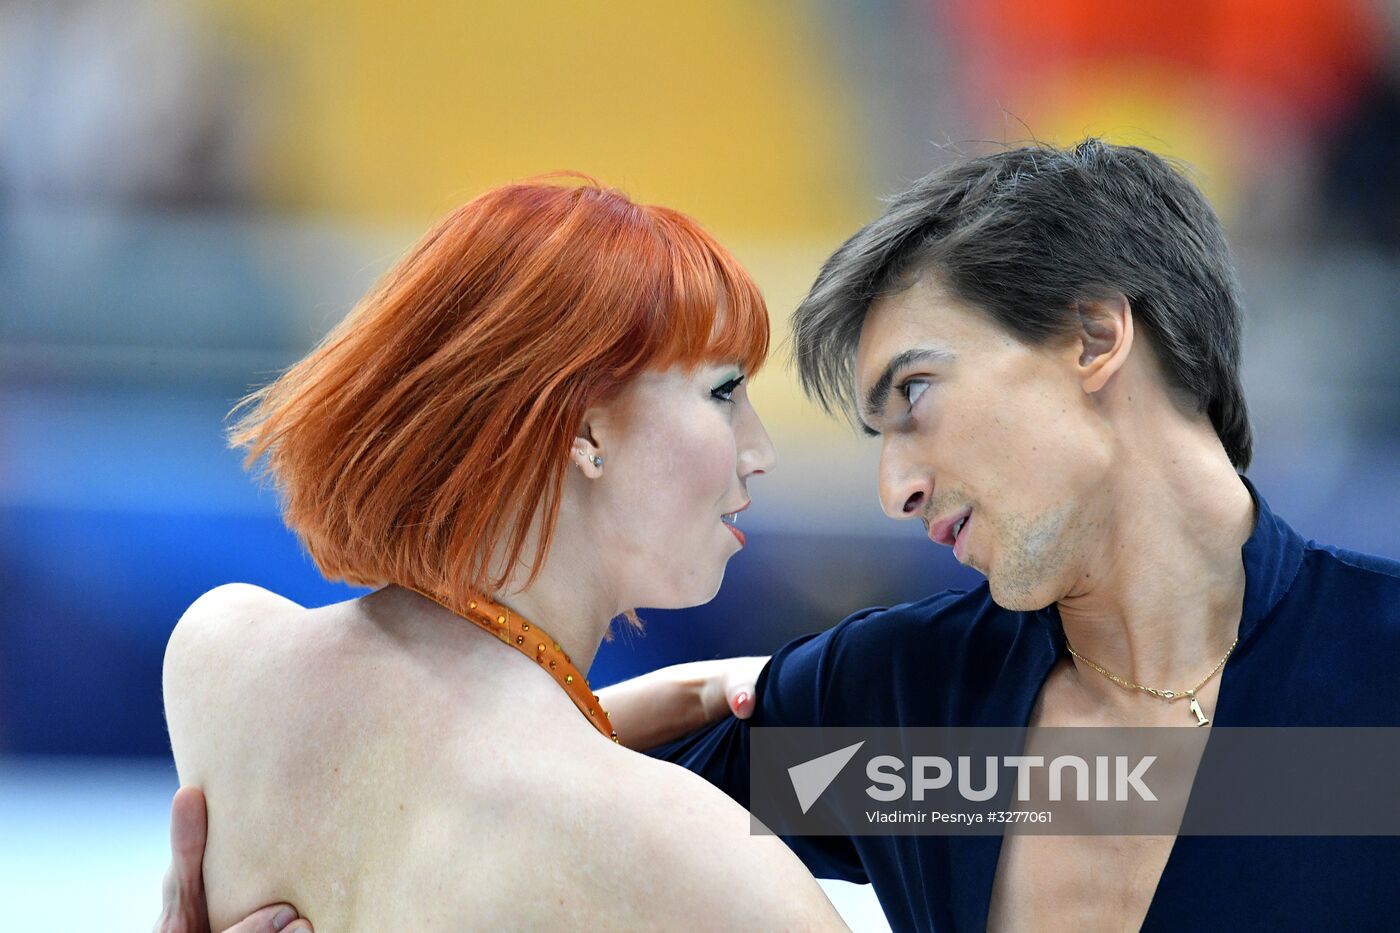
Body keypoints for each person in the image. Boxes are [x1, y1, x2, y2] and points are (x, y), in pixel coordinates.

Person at [168, 139, 1400, 931]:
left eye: (912, 396)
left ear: (1092, 338)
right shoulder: (894, 708)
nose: (892, 491)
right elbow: (496, 802)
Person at [159, 179, 848, 932]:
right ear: (584, 432)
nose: (760, 451)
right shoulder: (680, 845)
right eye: (724, 391)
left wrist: (665, 699)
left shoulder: (219, 653)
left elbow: (437, 762)